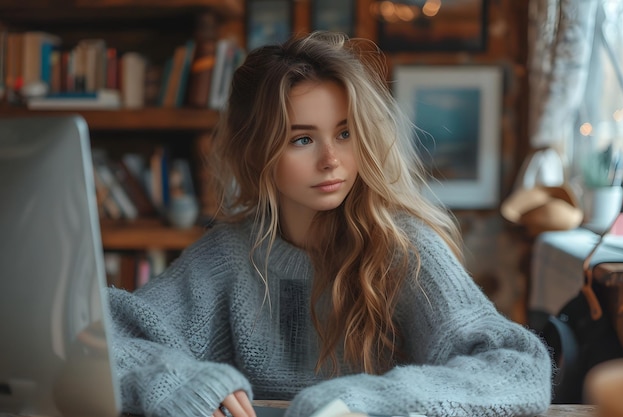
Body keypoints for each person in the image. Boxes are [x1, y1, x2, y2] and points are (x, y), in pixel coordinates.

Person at [107, 31, 552, 417]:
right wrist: (178, 381)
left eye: (344, 133)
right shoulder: (228, 254)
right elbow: (103, 338)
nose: (331, 160)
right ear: (256, 151)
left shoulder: (402, 248)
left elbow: (518, 366)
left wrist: (377, 398)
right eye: (302, 139)